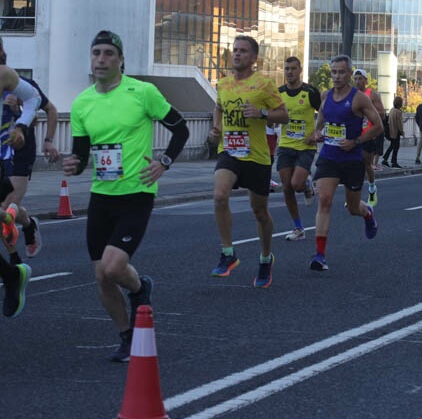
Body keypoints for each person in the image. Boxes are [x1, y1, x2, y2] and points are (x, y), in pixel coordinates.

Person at [63, 30, 189, 360]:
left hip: (137, 192)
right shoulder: (82, 102)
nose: (101, 59)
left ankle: (138, 287)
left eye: (108, 53)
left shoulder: (142, 92)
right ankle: (126, 337)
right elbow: (80, 157)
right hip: (101, 195)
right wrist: (70, 164)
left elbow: (181, 128)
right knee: (101, 276)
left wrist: (164, 162)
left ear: (120, 60)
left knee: (113, 266)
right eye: (96, 53)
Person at [207, 35, 289, 287]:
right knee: (220, 196)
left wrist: (261, 113)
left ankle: (266, 257)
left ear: (254, 58)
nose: (237, 54)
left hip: (256, 155)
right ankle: (228, 254)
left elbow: (283, 116)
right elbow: (219, 107)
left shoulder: (263, 84)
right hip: (229, 151)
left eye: (243, 51)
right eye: (235, 50)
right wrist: (216, 128)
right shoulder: (223, 84)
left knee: (260, 211)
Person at [306, 55, 382, 271]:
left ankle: (367, 213)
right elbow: (321, 120)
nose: (337, 76)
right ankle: (320, 255)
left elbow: (378, 126)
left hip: (352, 159)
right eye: (334, 72)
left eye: (341, 72)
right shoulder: (325, 95)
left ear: (349, 74)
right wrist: (317, 133)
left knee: (353, 207)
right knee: (325, 200)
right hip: (329, 156)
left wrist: (356, 141)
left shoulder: (359, 99)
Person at [0, 38, 60, 258]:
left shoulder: (21, 85)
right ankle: (27, 223)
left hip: (20, 151)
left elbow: (50, 110)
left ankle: (14, 271)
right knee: (5, 209)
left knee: (6, 207)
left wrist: (48, 140)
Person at [276, 56, 321, 241]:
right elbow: (274, 113)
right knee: (287, 187)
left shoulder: (310, 91)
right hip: (286, 145)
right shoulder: (279, 92)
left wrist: (317, 132)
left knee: (296, 184)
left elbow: (325, 113)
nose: (289, 72)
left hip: (306, 146)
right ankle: (298, 228)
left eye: (293, 68)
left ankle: (308, 184)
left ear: (300, 70)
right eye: (286, 69)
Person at [352, 69, 386, 206]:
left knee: (366, 164)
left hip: (368, 134)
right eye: (355, 79)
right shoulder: (350, 94)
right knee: (354, 165)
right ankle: (354, 197)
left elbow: (382, 114)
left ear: (366, 80)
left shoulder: (372, 94)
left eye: (360, 79)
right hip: (353, 134)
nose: (358, 81)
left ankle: (372, 188)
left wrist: (367, 109)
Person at [382, 95, 404, 168]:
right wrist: (402, 132)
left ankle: (386, 159)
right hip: (396, 132)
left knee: (392, 145)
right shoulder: (398, 112)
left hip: (390, 130)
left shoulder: (392, 110)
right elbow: (399, 124)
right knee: (396, 147)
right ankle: (393, 161)